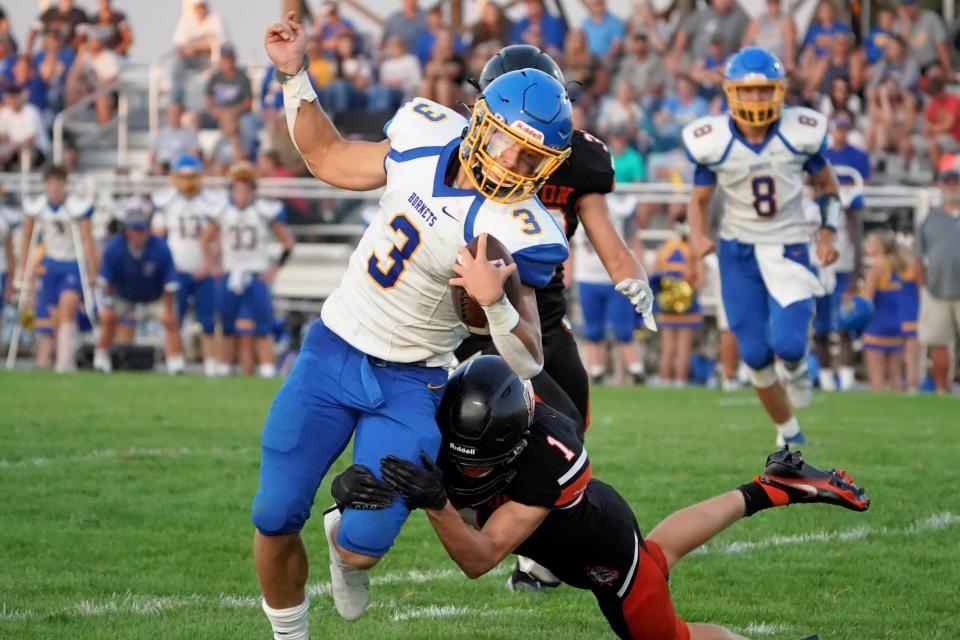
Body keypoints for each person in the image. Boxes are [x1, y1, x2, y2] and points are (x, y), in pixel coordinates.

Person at [255, 13, 573, 636]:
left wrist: (497, 301)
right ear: (480, 119)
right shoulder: (425, 133)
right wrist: (295, 77)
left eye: (530, 156)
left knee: (362, 544)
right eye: (506, 140)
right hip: (333, 348)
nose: (511, 162)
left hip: (415, 379)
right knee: (272, 514)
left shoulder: (520, 227)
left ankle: (343, 549)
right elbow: (329, 157)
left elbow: (530, 359)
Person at [331, 355, 870, 640]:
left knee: (666, 630)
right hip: (597, 527)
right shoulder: (462, 411)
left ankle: (774, 492)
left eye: (477, 458)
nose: (463, 463)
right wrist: (350, 486)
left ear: (514, 441)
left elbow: (479, 558)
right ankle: (772, 486)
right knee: (659, 554)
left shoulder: (548, 461)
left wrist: (437, 502)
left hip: (601, 553)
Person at [454, 44, 654, 593]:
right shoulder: (461, 148)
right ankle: (484, 518)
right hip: (476, 307)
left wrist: (632, 276)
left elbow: (605, 236)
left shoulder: (581, 159)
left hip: (541, 309)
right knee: (525, 422)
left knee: (573, 414)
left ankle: (535, 546)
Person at [684, 47, 842, 446]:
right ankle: (790, 433)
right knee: (754, 355)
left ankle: (799, 368)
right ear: (731, 92)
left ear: (781, 91)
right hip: (738, 251)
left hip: (788, 245)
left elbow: (829, 187)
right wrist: (697, 236)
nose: (756, 100)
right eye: (748, 92)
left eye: (764, 91)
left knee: (789, 344)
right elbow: (698, 200)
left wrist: (828, 233)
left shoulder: (798, 132)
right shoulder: (713, 140)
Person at [202, 161, 294, 378]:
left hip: (256, 274)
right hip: (230, 272)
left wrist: (274, 268)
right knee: (226, 325)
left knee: (263, 326)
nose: (241, 194)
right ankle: (224, 367)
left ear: (253, 189)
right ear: (231, 190)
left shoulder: (264, 211)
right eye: (237, 188)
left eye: (245, 188)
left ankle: (266, 368)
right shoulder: (222, 210)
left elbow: (287, 244)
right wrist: (213, 265)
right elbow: (205, 240)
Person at [17, 165, 96, 373]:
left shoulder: (76, 208)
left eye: (58, 183)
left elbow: (87, 240)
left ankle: (64, 361)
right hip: (49, 264)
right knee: (45, 315)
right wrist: (25, 266)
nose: (54, 188)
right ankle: (45, 361)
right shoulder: (38, 208)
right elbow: (27, 236)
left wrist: (91, 270)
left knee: (68, 305)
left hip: (72, 263)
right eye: (50, 183)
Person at [93, 198, 183, 375]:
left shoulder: (161, 248)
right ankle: (101, 357)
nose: (136, 235)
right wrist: (109, 305)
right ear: (126, 231)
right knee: (107, 317)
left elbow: (170, 284)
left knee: (170, 318)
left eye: (140, 230)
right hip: (122, 295)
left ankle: (175, 362)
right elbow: (106, 282)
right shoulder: (114, 248)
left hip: (153, 296)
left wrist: (168, 308)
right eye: (133, 230)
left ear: (148, 231)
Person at [150, 154, 222, 377]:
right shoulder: (166, 201)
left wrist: (209, 264)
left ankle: (211, 363)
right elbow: (158, 238)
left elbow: (220, 238)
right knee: (173, 319)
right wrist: (168, 268)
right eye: (183, 177)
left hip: (203, 270)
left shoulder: (212, 201)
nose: (188, 182)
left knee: (208, 320)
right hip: (176, 269)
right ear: (174, 177)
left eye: (192, 177)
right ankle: (175, 360)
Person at [814, 112, 867, 391]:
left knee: (844, 324)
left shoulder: (846, 198)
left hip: (842, 266)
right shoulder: (806, 197)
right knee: (820, 326)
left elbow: (857, 237)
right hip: (817, 267)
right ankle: (824, 378)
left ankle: (845, 378)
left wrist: (859, 272)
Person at [914, 156, 960, 393]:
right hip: (936, 290)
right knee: (939, 343)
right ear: (940, 186)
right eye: (948, 182)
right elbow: (917, 256)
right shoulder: (930, 219)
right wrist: (922, 286)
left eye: (956, 182)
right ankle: (943, 389)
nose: (952, 186)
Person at [652, 218, 703, 387]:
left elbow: (654, 273)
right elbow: (700, 279)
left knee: (667, 347)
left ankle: (665, 381)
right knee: (683, 348)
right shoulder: (692, 249)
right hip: (688, 304)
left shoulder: (665, 248)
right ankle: (680, 382)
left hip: (667, 303)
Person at [861, 230, 905, 392]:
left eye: (869, 243)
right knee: (895, 375)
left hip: (877, 324)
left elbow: (867, 300)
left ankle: (879, 408)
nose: (866, 246)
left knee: (876, 375)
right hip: (895, 323)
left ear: (879, 247)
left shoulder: (876, 268)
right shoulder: (898, 264)